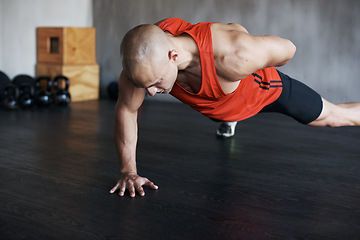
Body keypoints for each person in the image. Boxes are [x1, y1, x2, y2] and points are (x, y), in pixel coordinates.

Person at [109, 18, 360, 198]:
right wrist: (128, 171)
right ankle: (229, 116)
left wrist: (249, 51)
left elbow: (288, 49)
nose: (150, 91)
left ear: (173, 56)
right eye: (146, 85)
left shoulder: (234, 56)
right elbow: (127, 110)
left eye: (154, 83)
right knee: (218, 105)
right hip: (223, 104)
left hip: (266, 92)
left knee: (333, 116)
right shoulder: (144, 61)